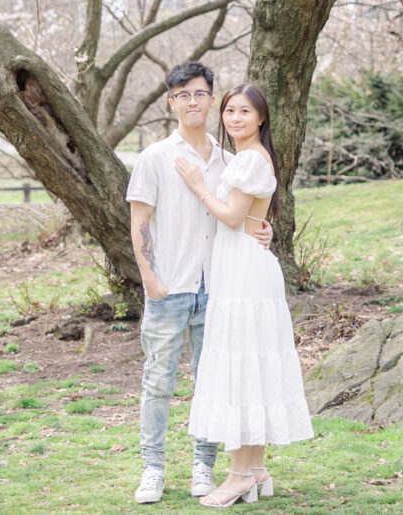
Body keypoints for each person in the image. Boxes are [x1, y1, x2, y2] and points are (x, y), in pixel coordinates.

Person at [126, 63, 272, 504]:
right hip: (171, 285)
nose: (193, 101)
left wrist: (266, 231)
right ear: (171, 102)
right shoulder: (155, 157)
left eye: (200, 93)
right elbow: (139, 221)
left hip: (222, 289)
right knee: (158, 381)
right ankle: (152, 469)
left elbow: (244, 215)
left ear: (212, 100)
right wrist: (150, 278)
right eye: (182, 94)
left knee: (215, 382)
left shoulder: (231, 160)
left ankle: (203, 466)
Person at [175, 83, 314, 508]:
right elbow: (251, 215)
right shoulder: (249, 159)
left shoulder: (250, 160)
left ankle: (237, 475)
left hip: (244, 272)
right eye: (230, 111)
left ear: (261, 119)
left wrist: (199, 186)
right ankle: (254, 469)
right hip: (245, 266)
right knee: (248, 363)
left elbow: (234, 217)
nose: (235, 118)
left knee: (239, 365)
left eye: (245, 112)